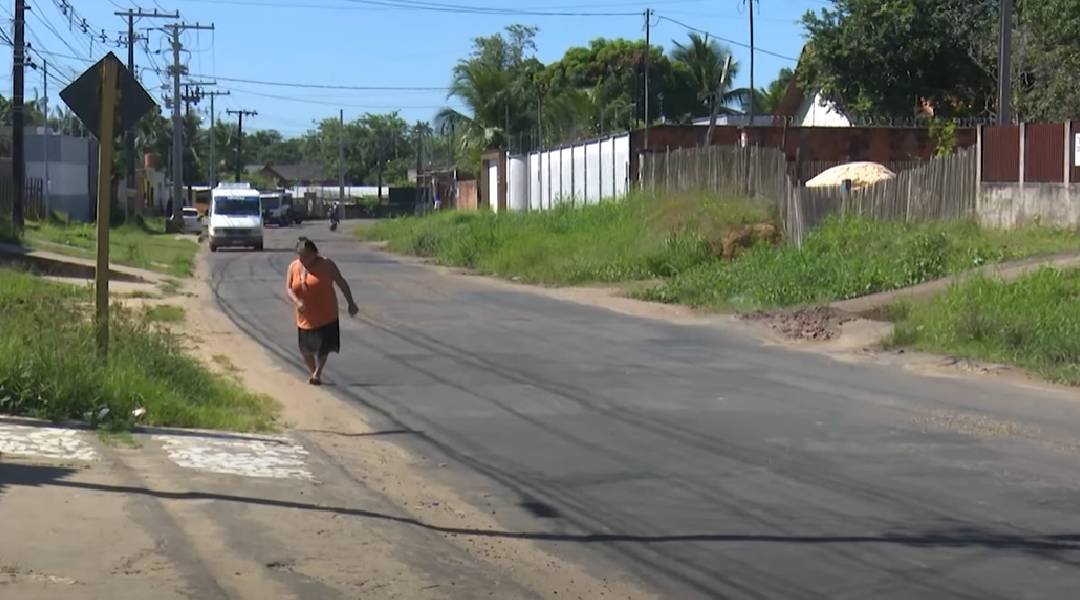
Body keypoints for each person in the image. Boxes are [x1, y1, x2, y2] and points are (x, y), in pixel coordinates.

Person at [286, 237, 359, 385]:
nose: (303, 258)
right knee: (305, 349)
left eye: (306, 255)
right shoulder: (293, 267)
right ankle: (314, 372)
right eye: (300, 255)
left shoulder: (327, 265)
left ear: (315, 253)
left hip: (326, 314)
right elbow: (289, 288)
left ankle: (318, 373)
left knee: (323, 347)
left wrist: (351, 303)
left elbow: (342, 283)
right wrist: (297, 301)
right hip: (305, 316)